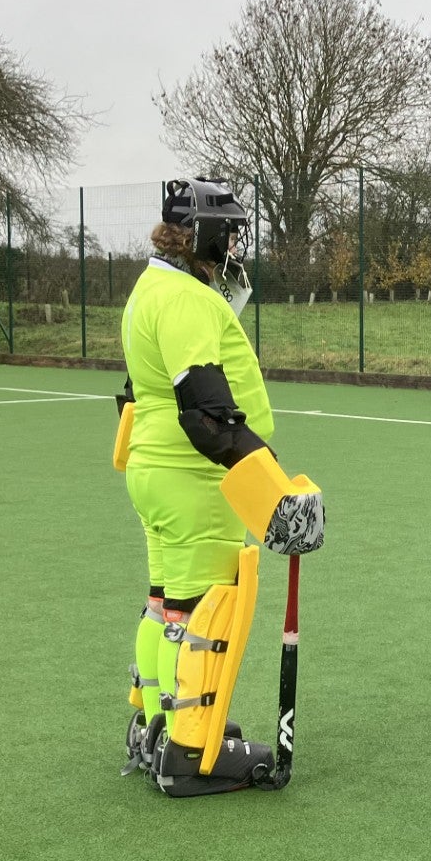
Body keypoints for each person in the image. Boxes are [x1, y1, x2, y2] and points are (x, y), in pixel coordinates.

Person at [115, 179, 324, 798]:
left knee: (166, 604)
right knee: (206, 609)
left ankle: (159, 724)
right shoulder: (185, 299)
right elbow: (206, 415)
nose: (235, 243)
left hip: (154, 468)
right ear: (200, 234)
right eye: (228, 231)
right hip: (191, 475)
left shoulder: (151, 288)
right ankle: (189, 750)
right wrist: (273, 485)